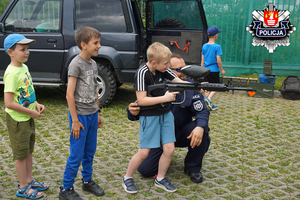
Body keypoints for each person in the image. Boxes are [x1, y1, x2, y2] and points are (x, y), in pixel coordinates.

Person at [128, 53, 211, 184]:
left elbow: (202, 111)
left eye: (185, 68)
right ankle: (165, 157)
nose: (183, 72)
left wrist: (200, 127)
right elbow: (140, 104)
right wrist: (132, 111)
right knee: (145, 171)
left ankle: (192, 168)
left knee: (203, 130)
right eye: (179, 70)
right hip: (160, 136)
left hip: (182, 131)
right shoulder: (157, 86)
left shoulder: (190, 87)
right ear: (166, 70)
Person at [122, 42, 188, 194]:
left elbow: (180, 82)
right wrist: (165, 98)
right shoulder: (142, 73)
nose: (168, 66)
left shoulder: (163, 69)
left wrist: (197, 85)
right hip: (149, 116)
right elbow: (142, 100)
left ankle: (160, 178)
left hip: (166, 114)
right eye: (166, 63)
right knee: (144, 152)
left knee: (169, 149)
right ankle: (127, 178)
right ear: (154, 63)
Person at [59, 26, 104, 200]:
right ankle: (66, 188)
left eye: (99, 42)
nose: (99, 46)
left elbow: (94, 90)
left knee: (90, 151)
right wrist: (75, 121)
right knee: (76, 154)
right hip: (80, 117)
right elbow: (69, 94)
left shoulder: (93, 64)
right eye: (96, 43)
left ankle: (87, 181)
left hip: (92, 115)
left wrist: (98, 112)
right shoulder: (75, 64)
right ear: (84, 45)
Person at [3, 33, 49, 199]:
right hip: (18, 120)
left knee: (28, 151)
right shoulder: (11, 73)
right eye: (22, 49)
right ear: (10, 52)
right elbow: (8, 103)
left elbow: (26, 92)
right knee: (21, 155)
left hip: (27, 118)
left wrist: (35, 104)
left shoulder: (23, 67)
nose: (27, 52)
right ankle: (23, 187)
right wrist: (30, 112)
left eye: (27, 48)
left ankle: (29, 180)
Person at [200, 26, 226, 111]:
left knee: (206, 87)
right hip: (214, 70)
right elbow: (218, 61)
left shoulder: (204, 46)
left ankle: (206, 104)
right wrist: (222, 70)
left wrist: (201, 70)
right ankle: (208, 99)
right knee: (216, 87)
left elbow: (202, 59)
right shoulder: (217, 47)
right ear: (215, 36)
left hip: (205, 70)